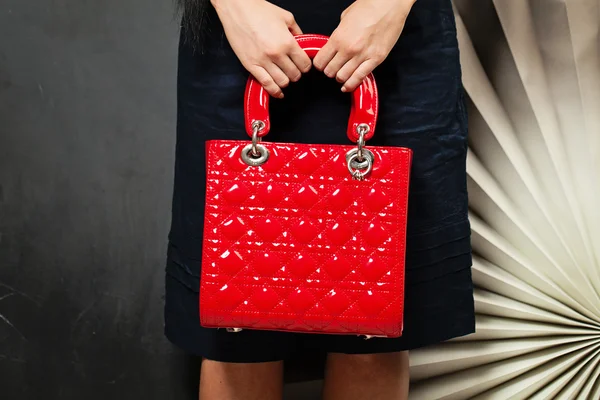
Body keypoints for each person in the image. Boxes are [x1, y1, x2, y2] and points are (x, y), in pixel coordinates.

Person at [164, 0, 475, 398]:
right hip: (242, 29)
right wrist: (236, 7)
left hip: (393, 32)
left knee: (374, 325)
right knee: (235, 330)